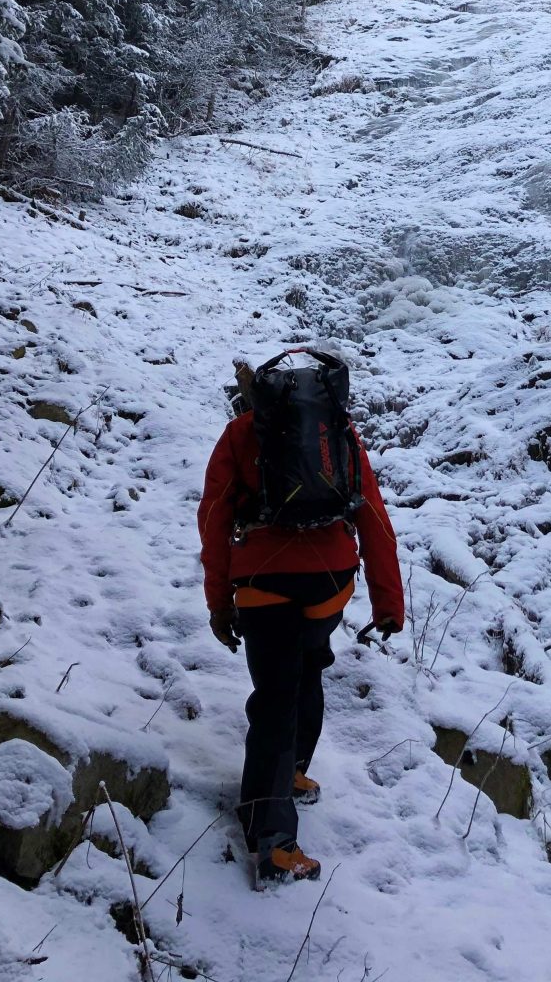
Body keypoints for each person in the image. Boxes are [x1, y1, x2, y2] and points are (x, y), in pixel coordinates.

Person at [198, 352, 404, 887]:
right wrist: (388, 600)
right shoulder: (338, 434)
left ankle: (273, 841)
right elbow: (372, 513)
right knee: (308, 669)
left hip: (264, 586)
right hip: (330, 583)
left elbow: (214, 519)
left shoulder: (239, 435)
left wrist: (219, 602)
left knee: (274, 696)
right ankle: (288, 774)